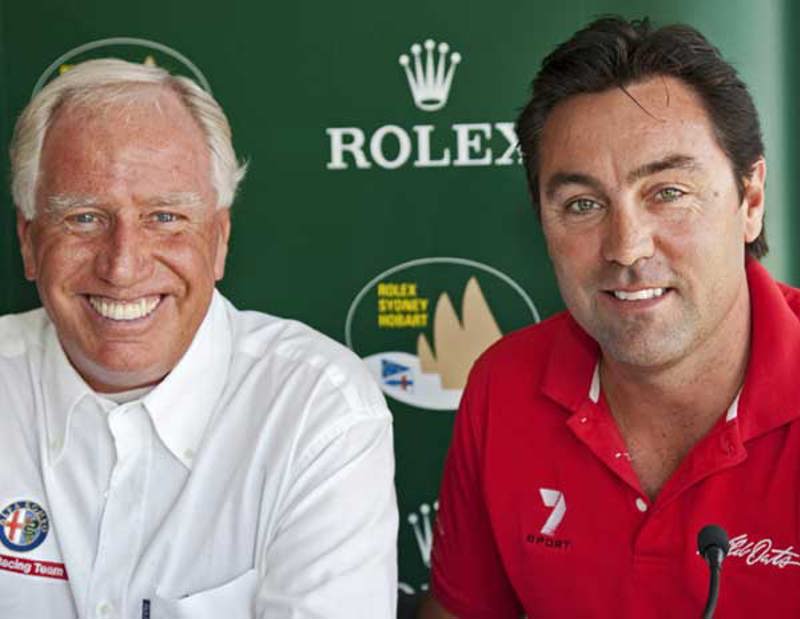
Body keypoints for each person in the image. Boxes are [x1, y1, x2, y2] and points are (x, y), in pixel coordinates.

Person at [420, 16, 800, 618]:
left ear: (750, 201)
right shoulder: (505, 385)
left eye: (668, 193)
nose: (626, 247)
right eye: (583, 204)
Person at [0, 58, 397, 618]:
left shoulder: (316, 408)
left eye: (163, 217)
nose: (123, 266)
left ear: (219, 241)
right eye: (85, 218)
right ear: (28, 241)